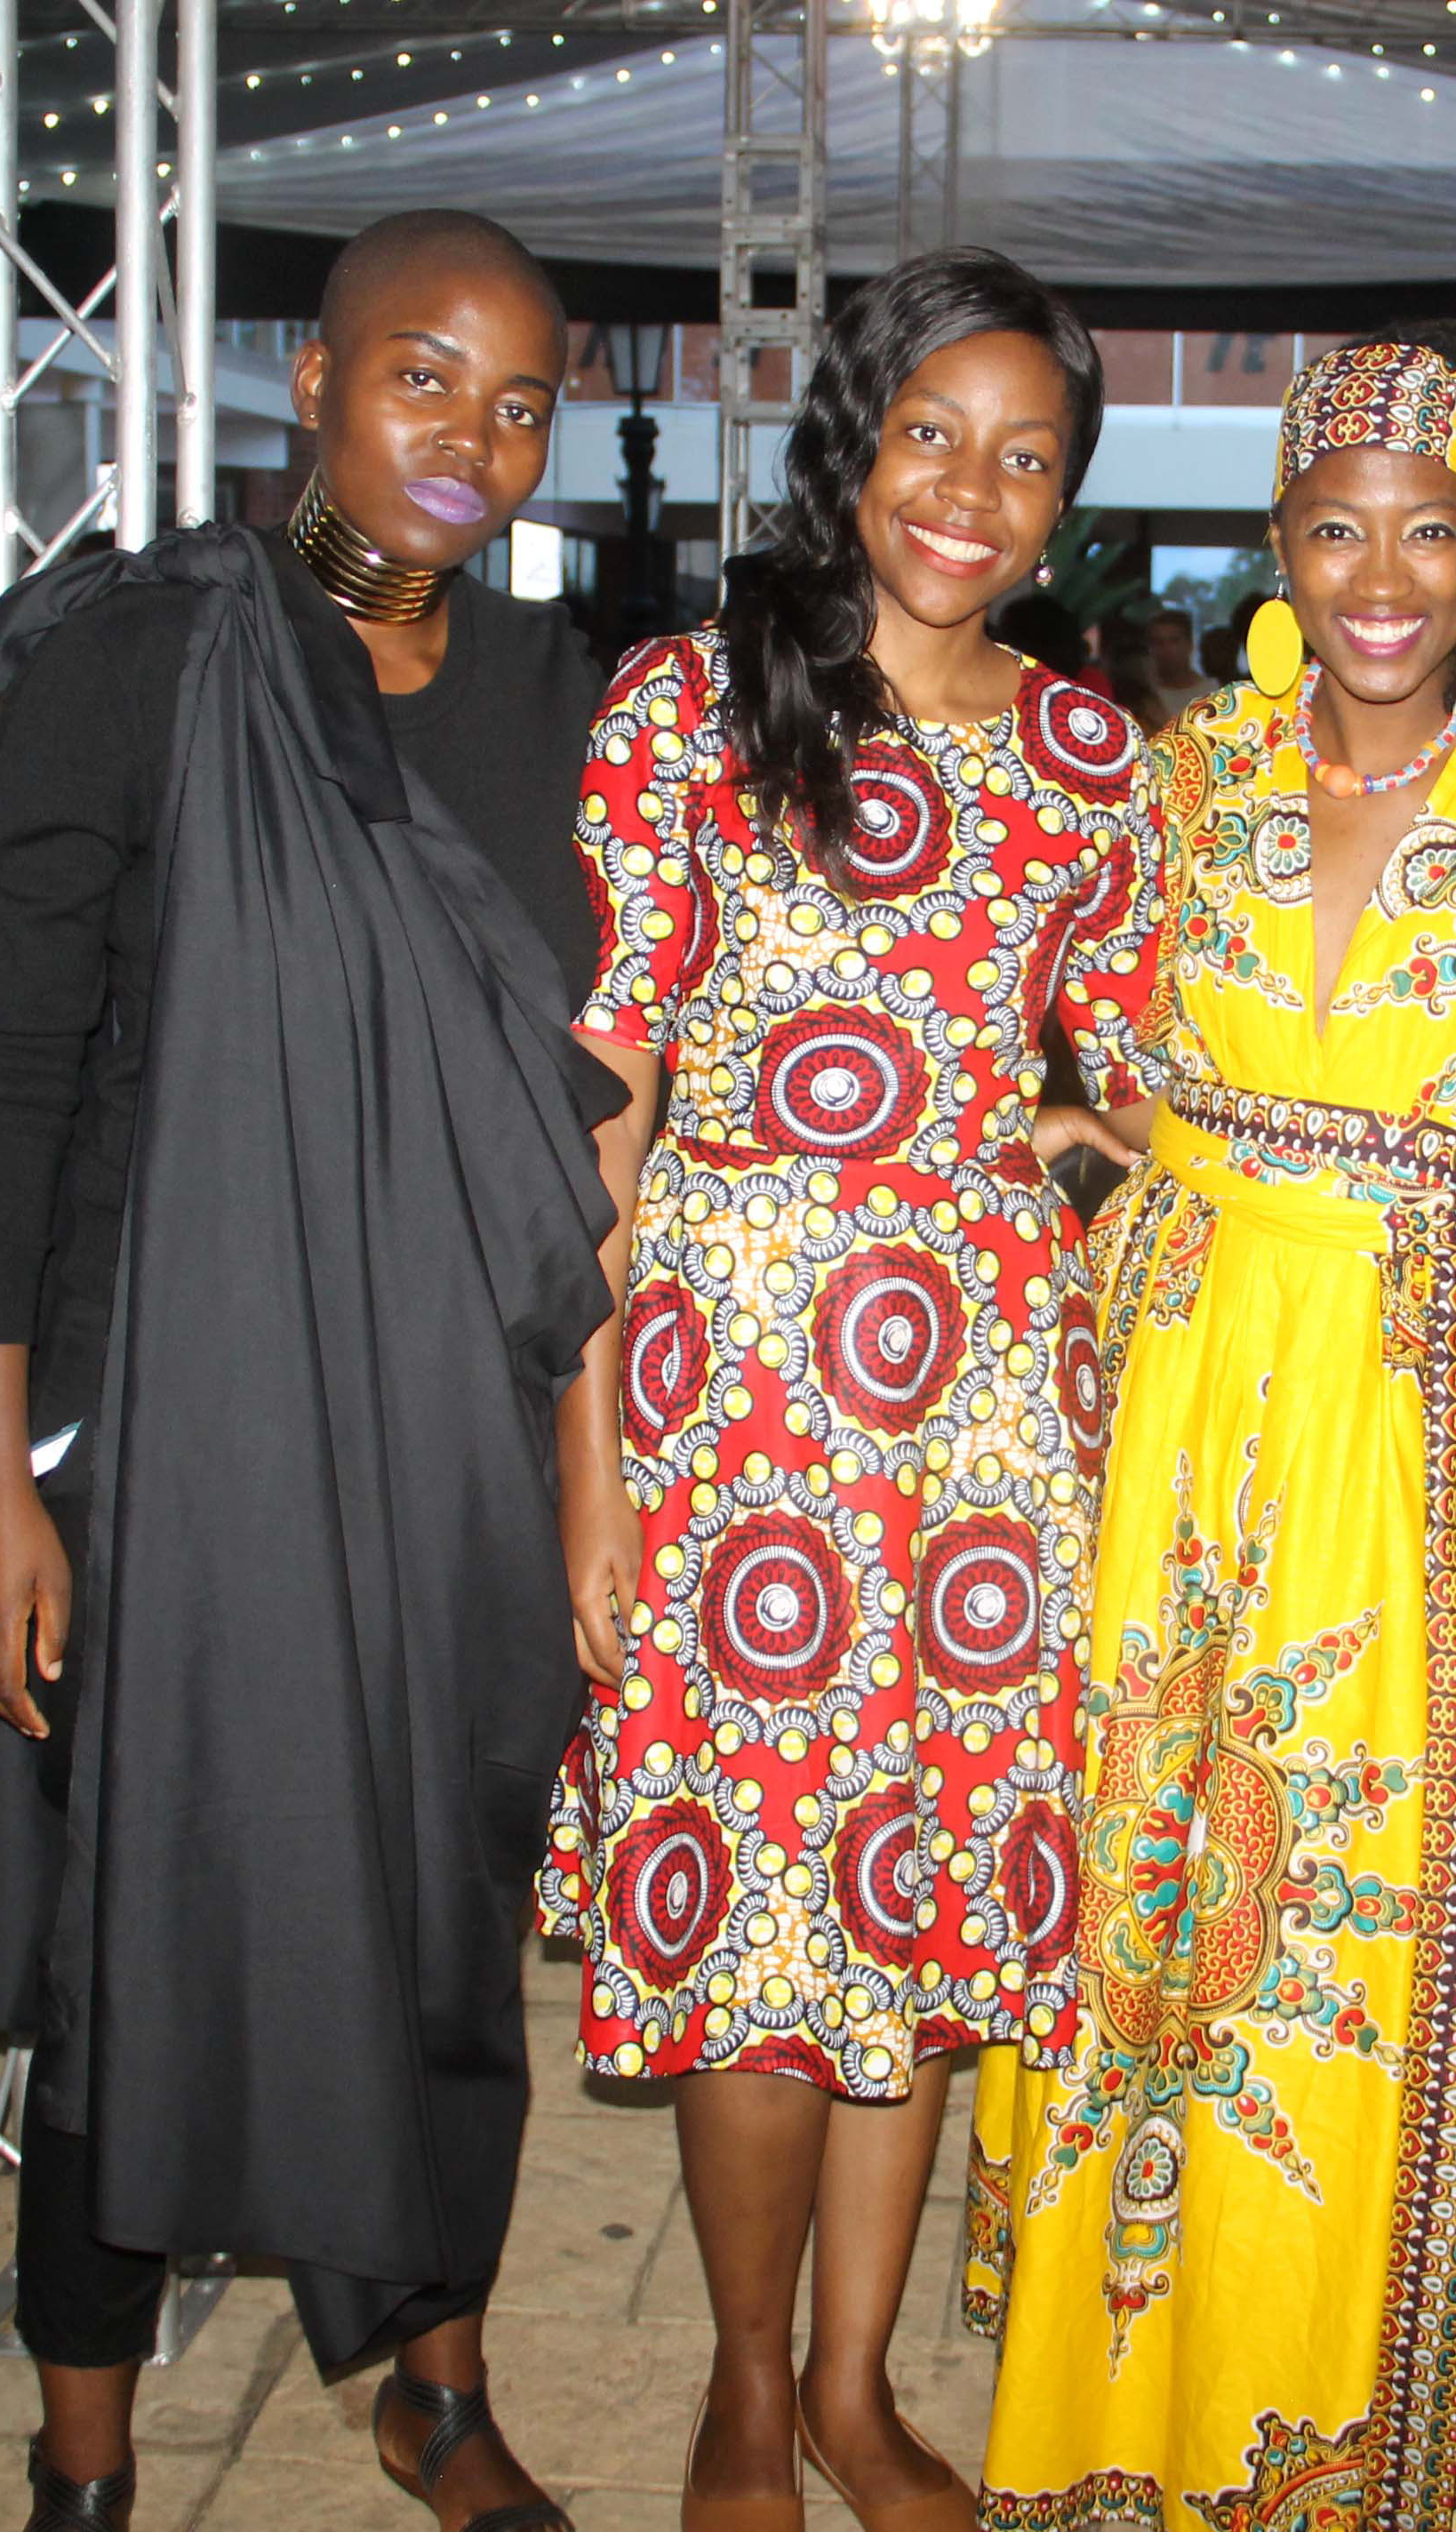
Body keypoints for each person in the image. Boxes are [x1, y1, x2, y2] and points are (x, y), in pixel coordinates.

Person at [0, 208, 616, 2532]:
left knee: (440, 1919)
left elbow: (581, 1112)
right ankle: (86, 2460)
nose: (471, 439)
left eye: (521, 402)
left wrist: (581, 1464)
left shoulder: (555, 704)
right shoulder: (153, 659)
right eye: (424, 377)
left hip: (450, 1434)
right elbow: (10, 1068)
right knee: (155, 1922)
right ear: (311, 383)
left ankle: (436, 2386)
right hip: (178, 1416)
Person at [965, 319, 1456, 2532]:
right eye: (1332, 526)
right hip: (1173, 1410)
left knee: (1373, 1928)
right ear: (1278, 538)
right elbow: (1049, 1045)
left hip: (1412, 1430)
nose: (1374, 574)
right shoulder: (1182, 774)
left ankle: (1362, 2431)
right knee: (1147, 1908)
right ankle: (1117, 2419)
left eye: (1425, 531)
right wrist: (1083, 1147)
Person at [537, 246, 1156, 2532]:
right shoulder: (688, 704)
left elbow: (1138, 1055)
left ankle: (861, 2386)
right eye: (933, 436)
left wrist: (1096, 1138)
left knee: (923, 1917)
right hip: (729, 1412)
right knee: (755, 1935)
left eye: (1026, 458)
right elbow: (593, 1116)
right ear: (852, 440)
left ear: (1066, 495)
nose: (970, 495)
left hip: (987, 1425)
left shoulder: (1094, 756)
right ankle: (733, 2379)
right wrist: (588, 1471)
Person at [1140, 603, 1215, 723]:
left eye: (1174, 641)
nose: (1166, 648)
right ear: (1150, 648)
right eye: (1158, 642)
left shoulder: (1214, 693)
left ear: (1190, 644)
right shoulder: (1145, 700)